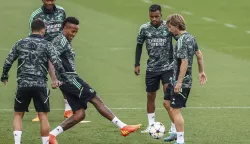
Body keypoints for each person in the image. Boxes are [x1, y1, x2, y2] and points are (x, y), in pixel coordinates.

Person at [49, 17, 141, 144]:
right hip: (70, 79)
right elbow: (50, 59)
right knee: (95, 98)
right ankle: (123, 126)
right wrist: (54, 79)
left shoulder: (62, 40)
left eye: (76, 32)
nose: (74, 34)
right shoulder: (61, 41)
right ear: (64, 28)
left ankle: (52, 135)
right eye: (72, 31)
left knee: (80, 114)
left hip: (66, 82)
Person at [1, 19, 68, 144]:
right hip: (40, 85)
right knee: (43, 116)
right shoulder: (47, 44)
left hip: (23, 84)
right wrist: (63, 78)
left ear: (32, 29)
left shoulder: (20, 43)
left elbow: (8, 60)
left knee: (18, 115)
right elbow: (57, 62)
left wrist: (4, 75)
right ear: (43, 29)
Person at [163, 14, 207, 144]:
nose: (169, 30)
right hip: (174, 79)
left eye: (170, 27)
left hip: (181, 81)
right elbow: (199, 55)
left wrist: (179, 82)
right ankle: (175, 132)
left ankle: (180, 140)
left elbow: (184, 62)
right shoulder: (191, 37)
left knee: (175, 110)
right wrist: (201, 71)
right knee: (166, 104)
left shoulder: (182, 41)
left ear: (176, 26)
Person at [134, 4, 177, 133]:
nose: (154, 19)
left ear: (161, 15)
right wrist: (136, 64)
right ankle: (151, 125)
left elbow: (178, 38)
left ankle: (174, 126)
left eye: (156, 16)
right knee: (150, 95)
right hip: (152, 68)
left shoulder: (168, 27)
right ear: (149, 15)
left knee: (168, 96)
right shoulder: (144, 28)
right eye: (152, 16)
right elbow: (139, 46)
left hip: (168, 67)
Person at [29, 0, 73, 122]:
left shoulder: (61, 11)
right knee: (40, 80)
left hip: (60, 50)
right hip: (43, 49)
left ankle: (68, 109)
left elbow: (66, 30)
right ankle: (40, 111)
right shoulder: (36, 15)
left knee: (65, 77)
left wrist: (66, 47)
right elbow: (32, 34)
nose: (49, 1)